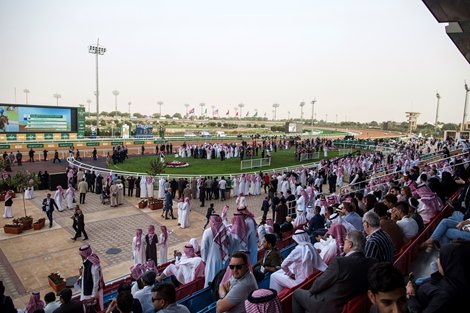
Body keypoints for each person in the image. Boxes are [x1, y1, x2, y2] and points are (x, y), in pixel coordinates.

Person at [292, 230, 377, 313]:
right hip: (352, 304)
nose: (344, 242)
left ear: (350, 244)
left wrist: (313, 292)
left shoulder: (340, 262)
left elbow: (317, 286)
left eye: (345, 240)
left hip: (330, 306)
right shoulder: (373, 263)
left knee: (296, 293)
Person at [406, 240, 470, 313]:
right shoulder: (457, 279)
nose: (437, 260)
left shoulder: (444, 297)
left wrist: (410, 297)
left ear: (448, 262)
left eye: (440, 257)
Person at [201, 214, 230, 287]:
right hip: (224, 259)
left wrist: (204, 259)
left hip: (211, 261)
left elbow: (204, 248)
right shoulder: (224, 230)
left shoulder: (207, 232)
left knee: (211, 280)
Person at [78, 244, 105, 311]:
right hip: (88, 287)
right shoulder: (89, 258)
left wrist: (93, 296)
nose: (80, 255)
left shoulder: (93, 265)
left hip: (92, 291)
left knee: (96, 307)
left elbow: (96, 280)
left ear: (84, 254)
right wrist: (81, 278)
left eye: (81, 254)